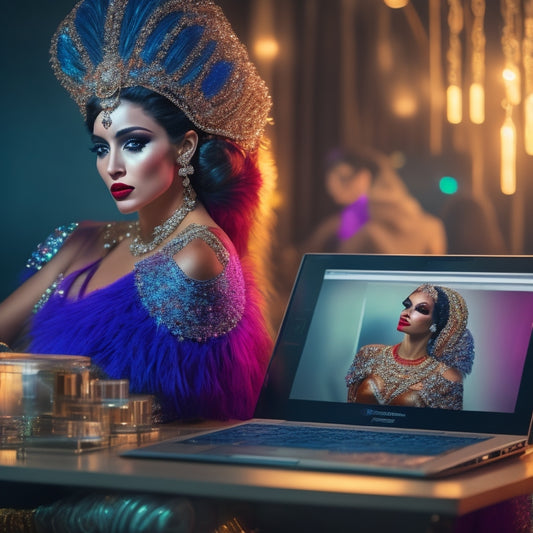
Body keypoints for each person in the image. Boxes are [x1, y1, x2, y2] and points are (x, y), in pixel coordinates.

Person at [0, 0, 276, 424]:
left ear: (183, 147)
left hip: (127, 477)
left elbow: (135, 409)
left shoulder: (197, 257)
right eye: (101, 148)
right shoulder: (84, 239)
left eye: (133, 143)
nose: (112, 166)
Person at [346, 284, 475, 410]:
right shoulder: (369, 353)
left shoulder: (446, 377)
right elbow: (349, 407)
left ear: (437, 324)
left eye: (421, 310)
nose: (406, 313)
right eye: (407, 305)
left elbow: (447, 427)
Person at [301, 147, 447, 255]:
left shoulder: (350, 226)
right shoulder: (432, 225)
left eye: (342, 176)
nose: (331, 185)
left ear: (364, 177)